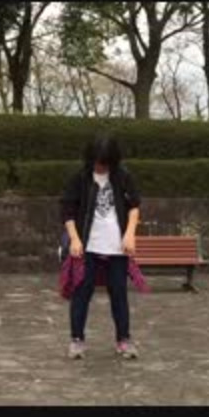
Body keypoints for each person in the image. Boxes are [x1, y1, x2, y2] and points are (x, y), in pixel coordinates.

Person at [59, 134, 142, 360]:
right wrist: (75, 239)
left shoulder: (123, 176)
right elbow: (67, 210)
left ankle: (123, 339)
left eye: (104, 162)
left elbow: (134, 206)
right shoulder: (80, 178)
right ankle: (77, 340)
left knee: (119, 294)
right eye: (96, 161)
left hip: (117, 248)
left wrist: (130, 234)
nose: (100, 166)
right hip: (88, 247)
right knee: (81, 293)